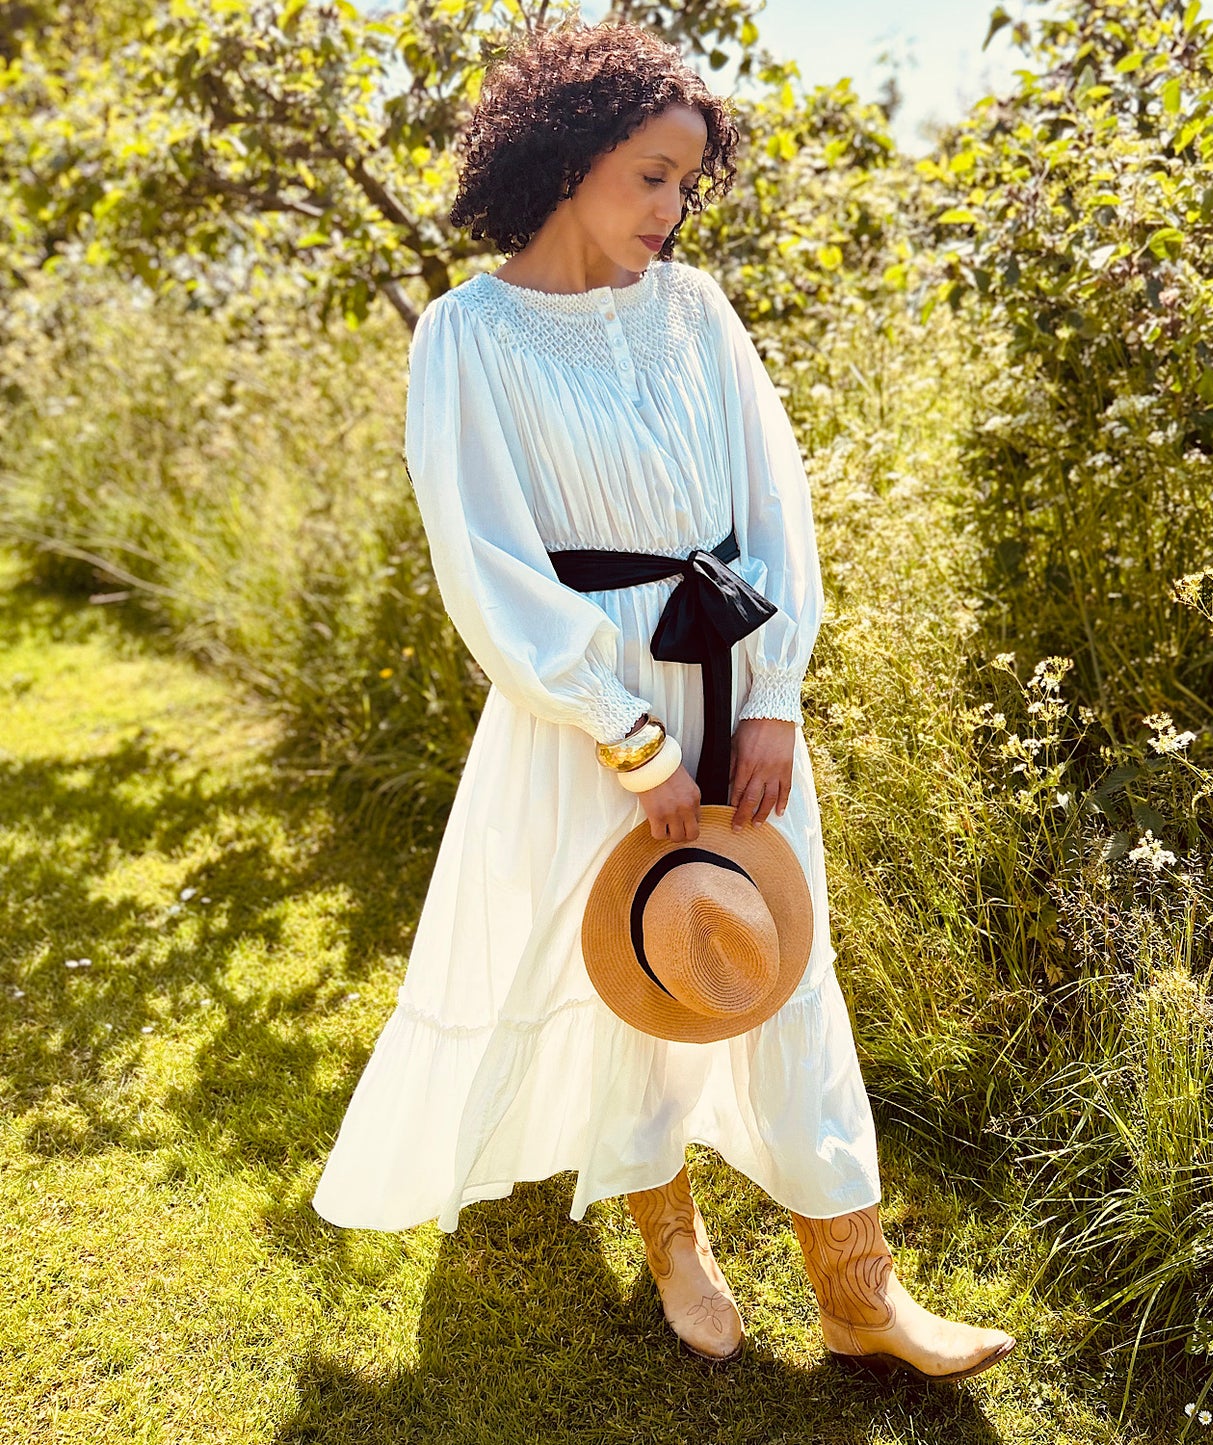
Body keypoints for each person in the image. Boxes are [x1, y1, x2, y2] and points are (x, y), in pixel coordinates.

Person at [311, 17, 1014, 1383]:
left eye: (688, 181)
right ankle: (670, 1234)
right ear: (567, 158)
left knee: (786, 967)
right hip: (591, 712)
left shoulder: (695, 310)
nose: (671, 207)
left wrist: (775, 697)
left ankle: (857, 1287)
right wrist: (625, 736)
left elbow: (772, 510)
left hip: (731, 672)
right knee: (647, 965)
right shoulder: (467, 336)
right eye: (650, 173)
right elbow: (490, 566)